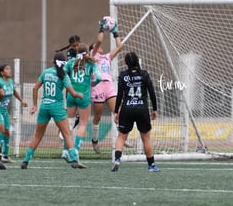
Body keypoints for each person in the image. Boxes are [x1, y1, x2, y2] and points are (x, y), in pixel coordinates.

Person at [21, 52, 86, 169]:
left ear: (53, 61)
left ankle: (25, 160)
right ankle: (74, 160)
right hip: (57, 107)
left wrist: (35, 105)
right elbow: (72, 93)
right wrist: (80, 95)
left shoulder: (46, 72)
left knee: (37, 136)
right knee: (67, 134)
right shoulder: (64, 75)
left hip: (44, 106)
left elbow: (35, 88)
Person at [111, 52, 160, 172]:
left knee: (121, 136)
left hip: (126, 108)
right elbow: (152, 93)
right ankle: (151, 165)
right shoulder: (144, 74)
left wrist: (116, 111)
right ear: (137, 61)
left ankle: (117, 159)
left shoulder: (123, 75)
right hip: (141, 109)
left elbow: (120, 95)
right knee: (146, 138)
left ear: (126, 63)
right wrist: (154, 109)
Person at [61, 43, 102, 162]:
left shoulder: (71, 62)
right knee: (82, 124)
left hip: (71, 95)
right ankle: (76, 150)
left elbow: (62, 74)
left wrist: (67, 84)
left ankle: (65, 150)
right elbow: (98, 77)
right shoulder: (91, 63)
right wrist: (93, 84)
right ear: (87, 53)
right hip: (83, 96)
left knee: (69, 123)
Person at [89, 17, 123, 154]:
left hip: (108, 85)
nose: (101, 48)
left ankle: (122, 137)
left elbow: (120, 47)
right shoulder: (92, 55)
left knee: (118, 112)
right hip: (97, 86)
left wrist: (115, 32)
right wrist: (101, 29)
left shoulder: (107, 57)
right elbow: (98, 41)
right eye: (98, 48)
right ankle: (95, 140)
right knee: (98, 116)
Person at [0, 64, 28, 163]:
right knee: (1, 131)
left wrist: (22, 101)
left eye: (10, 68)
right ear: (2, 73)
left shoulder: (10, 81)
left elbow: (14, 91)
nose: (10, 70)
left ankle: (5, 156)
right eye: (7, 69)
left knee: (7, 132)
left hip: (4, 110)